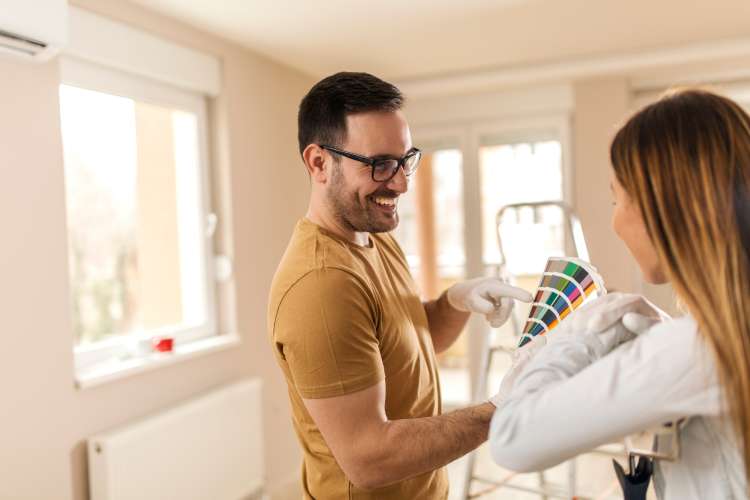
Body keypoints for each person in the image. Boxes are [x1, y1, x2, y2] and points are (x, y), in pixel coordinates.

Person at [267, 72, 531, 499]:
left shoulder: (375, 237)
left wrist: (457, 301)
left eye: (406, 160)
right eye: (380, 165)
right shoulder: (321, 284)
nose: (402, 182)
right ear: (318, 163)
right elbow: (368, 457)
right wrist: (501, 411)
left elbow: (409, 344)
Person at [489, 88, 749, 499]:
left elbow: (512, 438)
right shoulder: (719, 339)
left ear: (661, 208)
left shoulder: (703, 348)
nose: (614, 223)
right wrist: (658, 337)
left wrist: (581, 334)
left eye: (617, 199)